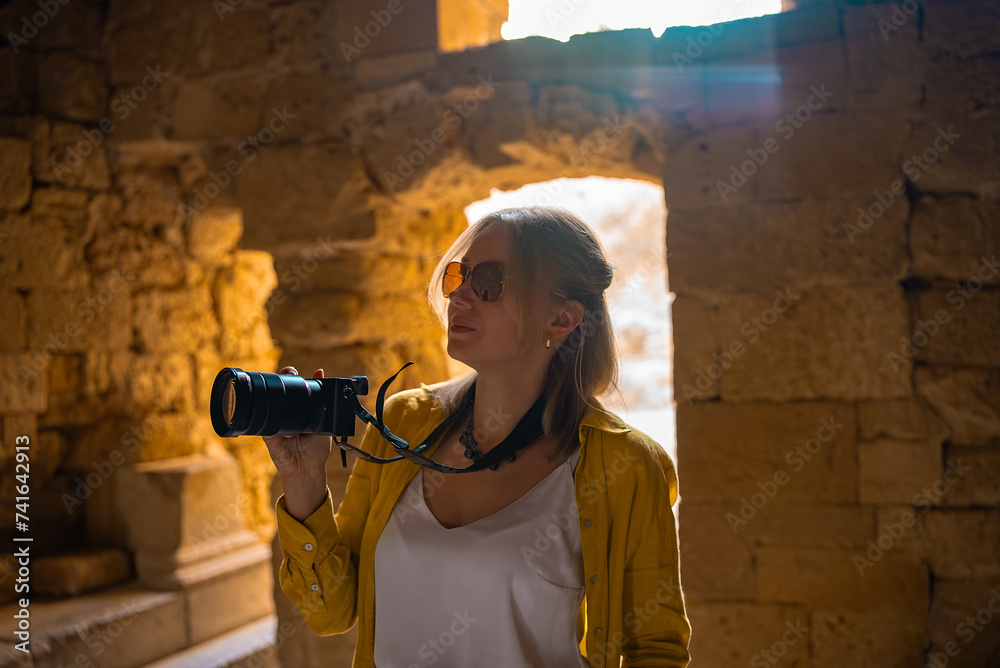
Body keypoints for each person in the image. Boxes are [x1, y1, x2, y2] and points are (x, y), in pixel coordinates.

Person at [265, 206, 691, 667]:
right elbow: (332, 610)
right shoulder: (402, 423)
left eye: (490, 282)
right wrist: (303, 478)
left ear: (561, 320)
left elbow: (655, 649)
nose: (460, 297)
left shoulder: (626, 465)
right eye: (458, 277)